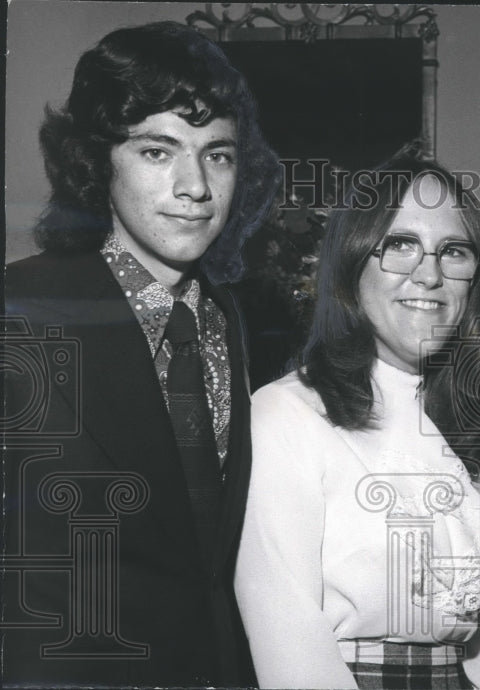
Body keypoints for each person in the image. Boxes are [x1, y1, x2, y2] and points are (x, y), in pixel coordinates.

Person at [3, 21, 280, 687]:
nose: (195, 187)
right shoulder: (21, 313)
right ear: (99, 163)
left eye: (217, 154)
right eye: (159, 152)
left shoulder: (231, 320)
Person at [234, 153, 480, 689]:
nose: (430, 274)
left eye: (453, 251)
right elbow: (288, 638)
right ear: (352, 265)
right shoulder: (287, 416)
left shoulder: (467, 434)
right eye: (400, 245)